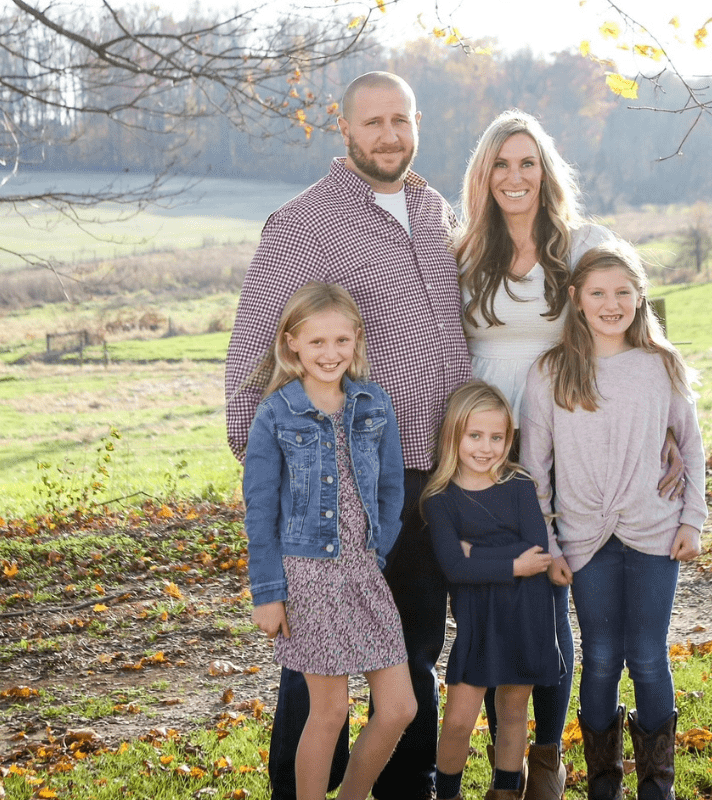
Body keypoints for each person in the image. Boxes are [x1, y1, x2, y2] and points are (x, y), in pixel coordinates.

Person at [226, 71, 472, 800]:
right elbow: (250, 357)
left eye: (401, 119)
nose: (389, 134)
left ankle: (404, 790)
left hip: (430, 481)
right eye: (373, 122)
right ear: (345, 129)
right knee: (318, 672)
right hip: (341, 493)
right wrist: (280, 471)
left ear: (417, 121)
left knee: (415, 654)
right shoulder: (303, 223)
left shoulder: (432, 208)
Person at [454, 109, 683, 800]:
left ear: (546, 172)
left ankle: (549, 758)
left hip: (570, 434)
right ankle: (508, 763)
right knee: (496, 598)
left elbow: (638, 315)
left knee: (553, 594)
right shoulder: (463, 252)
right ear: (484, 175)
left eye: (528, 162)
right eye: (501, 163)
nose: (515, 176)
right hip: (490, 442)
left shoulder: (583, 242)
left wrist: (665, 422)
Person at [521, 240, 707, 800]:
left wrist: (692, 521)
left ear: (640, 297)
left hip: (655, 531)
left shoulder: (661, 365)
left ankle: (657, 783)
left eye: (623, 292)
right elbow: (535, 469)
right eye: (598, 293)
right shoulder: (551, 371)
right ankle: (604, 780)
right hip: (583, 540)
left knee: (648, 656)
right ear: (575, 299)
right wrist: (549, 544)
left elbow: (692, 447)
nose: (611, 304)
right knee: (600, 657)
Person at [243, 281, 416, 800]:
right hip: (307, 576)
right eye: (316, 342)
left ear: (357, 340)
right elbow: (260, 509)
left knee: (400, 707)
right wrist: (268, 592)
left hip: (363, 572)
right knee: (330, 711)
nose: (330, 353)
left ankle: (352, 795)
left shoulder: (372, 403)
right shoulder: (276, 413)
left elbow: (390, 487)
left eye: (341, 341)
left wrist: (378, 549)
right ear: (291, 342)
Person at [421, 381, 563, 800]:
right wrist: (509, 563)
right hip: (479, 621)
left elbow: (537, 555)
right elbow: (454, 568)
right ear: (454, 436)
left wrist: (476, 552)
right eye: (475, 436)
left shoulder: (519, 485)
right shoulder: (440, 499)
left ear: (509, 439)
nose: (486, 447)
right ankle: (447, 793)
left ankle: (505, 792)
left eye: (497, 437)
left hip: (527, 614)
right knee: (459, 720)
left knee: (513, 710)